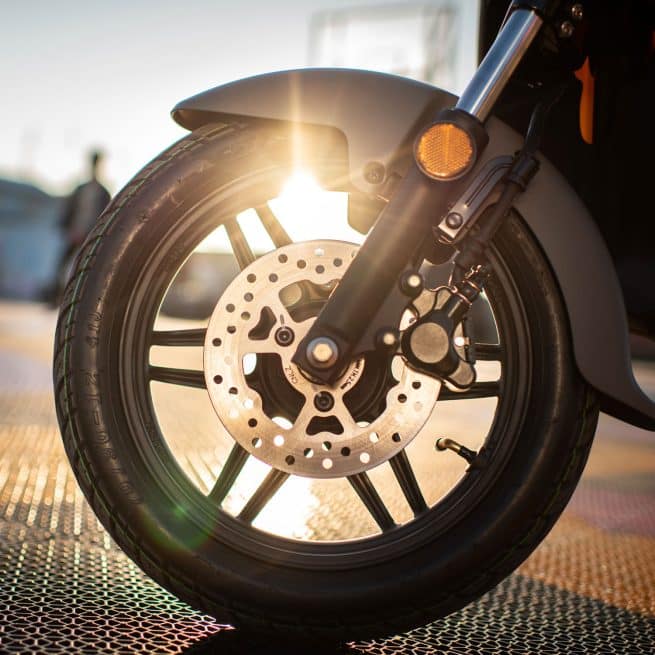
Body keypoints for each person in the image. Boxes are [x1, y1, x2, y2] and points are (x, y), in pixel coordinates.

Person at [48, 150, 110, 304]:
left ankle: (85, 301)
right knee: (62, 266)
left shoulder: (103, 192)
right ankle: (57, 298)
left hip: (91, 236)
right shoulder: (81, 189)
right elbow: (70, 209)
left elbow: (105, 216)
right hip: (75, 233)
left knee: (89, 269)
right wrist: (68, 229)